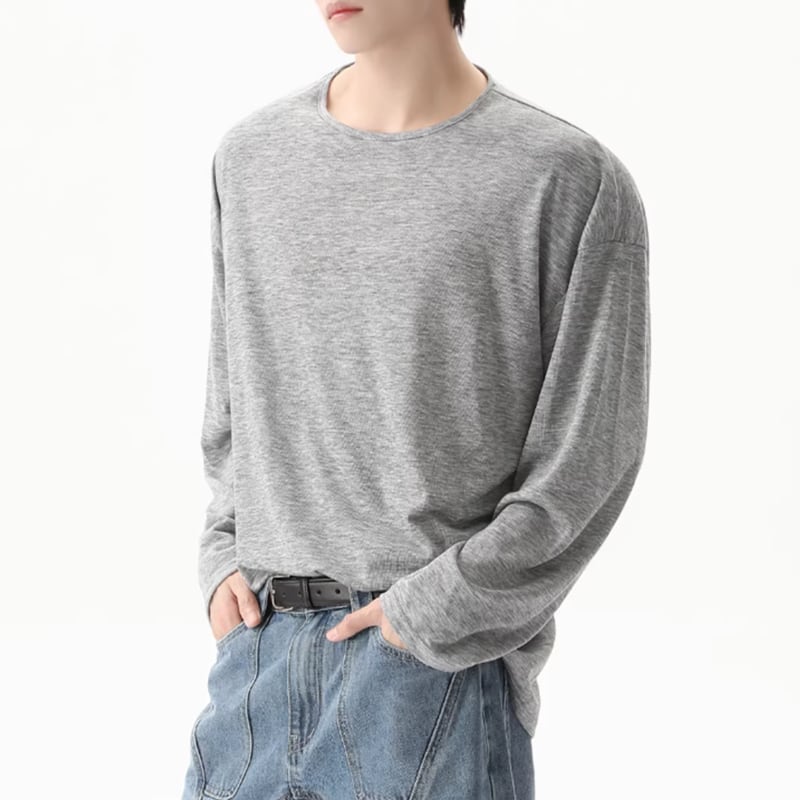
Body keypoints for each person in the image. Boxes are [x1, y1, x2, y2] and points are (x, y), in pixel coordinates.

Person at [180, 1, 650, 798]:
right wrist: (223, 554)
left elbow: (588, 460)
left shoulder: (564, 177)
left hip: (430, 679)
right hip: (256, 660)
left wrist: (434, 612)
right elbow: (235, 399)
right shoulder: (252, 158)